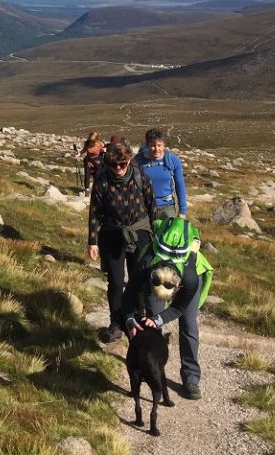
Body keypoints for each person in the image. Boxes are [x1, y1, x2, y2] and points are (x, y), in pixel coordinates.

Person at [123, 217, 214, 400]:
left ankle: (191, 379)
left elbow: (179, 308)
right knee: (152, 319)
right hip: (155, 273)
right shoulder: (146, 263)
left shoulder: (190, 278)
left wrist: (161, 318)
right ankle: (152, 366)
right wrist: (130, 319)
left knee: (188, 325)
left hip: (190, 274)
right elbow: (129, 295)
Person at [87, 140, 156, 342]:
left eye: (122, 164)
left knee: (139, 278)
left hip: (140, 233)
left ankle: (139, 318)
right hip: (112, 235)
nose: (118, 169)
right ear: (108, 163)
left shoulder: (139, 176)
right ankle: (116, 323)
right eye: (114, 165)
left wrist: (157, 234)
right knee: (116, 282)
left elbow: (152, 205)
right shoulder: (102, 181)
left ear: (128, 162)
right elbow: (94, 212)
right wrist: (92, 242)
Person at [133, 128, 188, 220]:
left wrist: (182, 210)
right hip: (144, 208)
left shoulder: (173, 160)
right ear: (147, 145)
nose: (156, 149)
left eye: (159, 145)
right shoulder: (137, 161)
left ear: (164, 145)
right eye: (153, 146)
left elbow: (180, 186)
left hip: (167, 207)